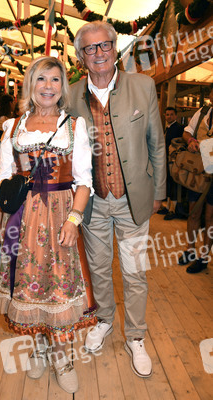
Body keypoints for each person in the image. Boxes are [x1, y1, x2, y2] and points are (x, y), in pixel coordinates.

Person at [0, 56, 96, 394]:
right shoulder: (13, 127)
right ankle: (39, 347)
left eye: (54, 80)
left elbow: (84, 180)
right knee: (30, 283)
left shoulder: (74, 126)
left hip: (61, 214)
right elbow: (2, 178)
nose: (48, 86)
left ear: (62, 86)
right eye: (41, 79)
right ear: (30, 86)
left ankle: (63, 357)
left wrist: (74, 221)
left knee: (59, 283)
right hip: (22, 218)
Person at [69, 21, 166, 378]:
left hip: (133, 200)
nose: (98, 53)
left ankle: (136, 336)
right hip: (93, 202)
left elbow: (156, 143)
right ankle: (106, 320)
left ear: (116, 48)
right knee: (98, 269)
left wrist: (159, 193)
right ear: (81, 57)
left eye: (105, 46)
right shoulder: (71, 94)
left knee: (135, 271)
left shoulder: (143, 86)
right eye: (90, 49)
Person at [178, 84, 213, 274]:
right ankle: (190, 251)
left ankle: (204, 257)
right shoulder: (203, 112)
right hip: (199, 171)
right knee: (193, 212)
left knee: (210, 217)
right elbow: (187, 132)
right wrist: (190, 141)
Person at [157, 107, 184, 220]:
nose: (169, 116)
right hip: (167, 159)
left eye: (171, 114)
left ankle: (173, 210)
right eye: (167, 114)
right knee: (168, 182)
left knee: (173, 184)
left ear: (176, 116)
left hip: (174, 160)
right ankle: (168, 207)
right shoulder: (168, 128)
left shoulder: (178, 128)